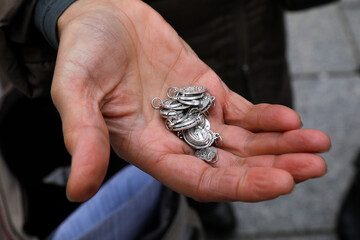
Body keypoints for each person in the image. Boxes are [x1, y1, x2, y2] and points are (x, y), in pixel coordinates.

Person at [0, 0, 333, 239]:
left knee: (212, 169)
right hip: (125, 60)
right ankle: (189, 206)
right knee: (169, 169)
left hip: (245, 47)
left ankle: (200, 207)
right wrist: (57, 6)